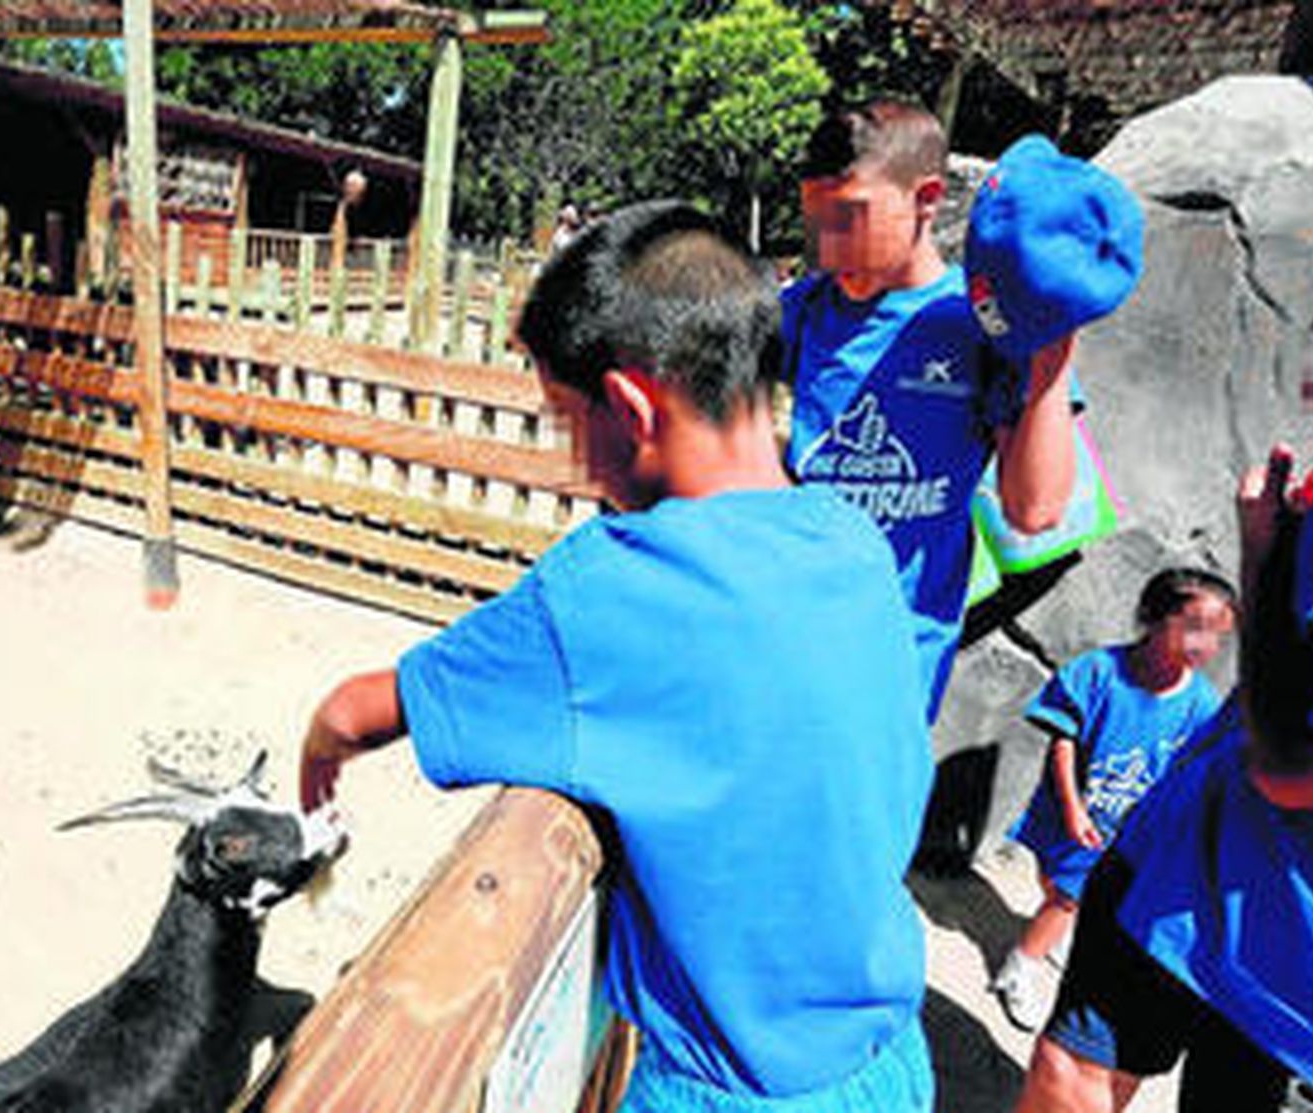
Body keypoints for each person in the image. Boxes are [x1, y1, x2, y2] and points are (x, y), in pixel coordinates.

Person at [300, 201, 938, 1112]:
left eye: (570, 425)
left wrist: (315, 760)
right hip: (890, 1063)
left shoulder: (610, 584)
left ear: (633, 408)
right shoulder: (855, 541)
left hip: (728, 1087)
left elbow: (358, 710)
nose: (578, 465)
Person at [1014, 266, 1313, 1112]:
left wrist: (1263, 555)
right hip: (1174, 854)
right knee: (1068, 1068)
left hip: (1292, 952)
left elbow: (1298, 771)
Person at [784, 103, 1144, 720]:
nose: (824, 237)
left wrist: (1049, 347)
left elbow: (1036, 509)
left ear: (926, 197)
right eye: (814, 212)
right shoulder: (800, 312)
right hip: (782, 639)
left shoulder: (989, 323)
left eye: (848, 213)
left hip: (896, 665)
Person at [991, 568, 1238, 1031]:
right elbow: (1062, 738)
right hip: (1067, 813)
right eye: (1195, 627)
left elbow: (1187, 776)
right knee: (1054, 884)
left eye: (1218, 636)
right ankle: (1056, 930)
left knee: (1067, 895)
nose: (1206, 645)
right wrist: (1071, 806)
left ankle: (1020, 966)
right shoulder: (1099, 671)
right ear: (1153, 618)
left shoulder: (1200, 703)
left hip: (1118, 833)